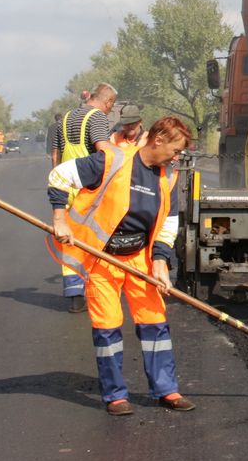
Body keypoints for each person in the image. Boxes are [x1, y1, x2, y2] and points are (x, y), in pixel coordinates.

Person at [47, 116, 196, 416]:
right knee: (108, 326)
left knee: (155, 322)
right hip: (102, 257)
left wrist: (160, 261)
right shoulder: (111, 161)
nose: (177, 157)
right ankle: (115, 395)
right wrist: (59, 219)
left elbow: (168, 221)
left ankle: (167, 390)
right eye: (176, 149)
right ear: (158, 140)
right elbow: (59, 177)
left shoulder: (167, 176)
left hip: (140, 257)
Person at [54, 84, 118, 311]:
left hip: (66, 187)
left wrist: (58, 186)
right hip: (88, 190)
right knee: (95, 240)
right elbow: (104, 151)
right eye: (111, 107)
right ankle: (97, 290)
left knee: (70, 242)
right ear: (108, 102)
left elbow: (57, 155)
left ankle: (74, 294)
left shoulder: (67, 117)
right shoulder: (97, 118)